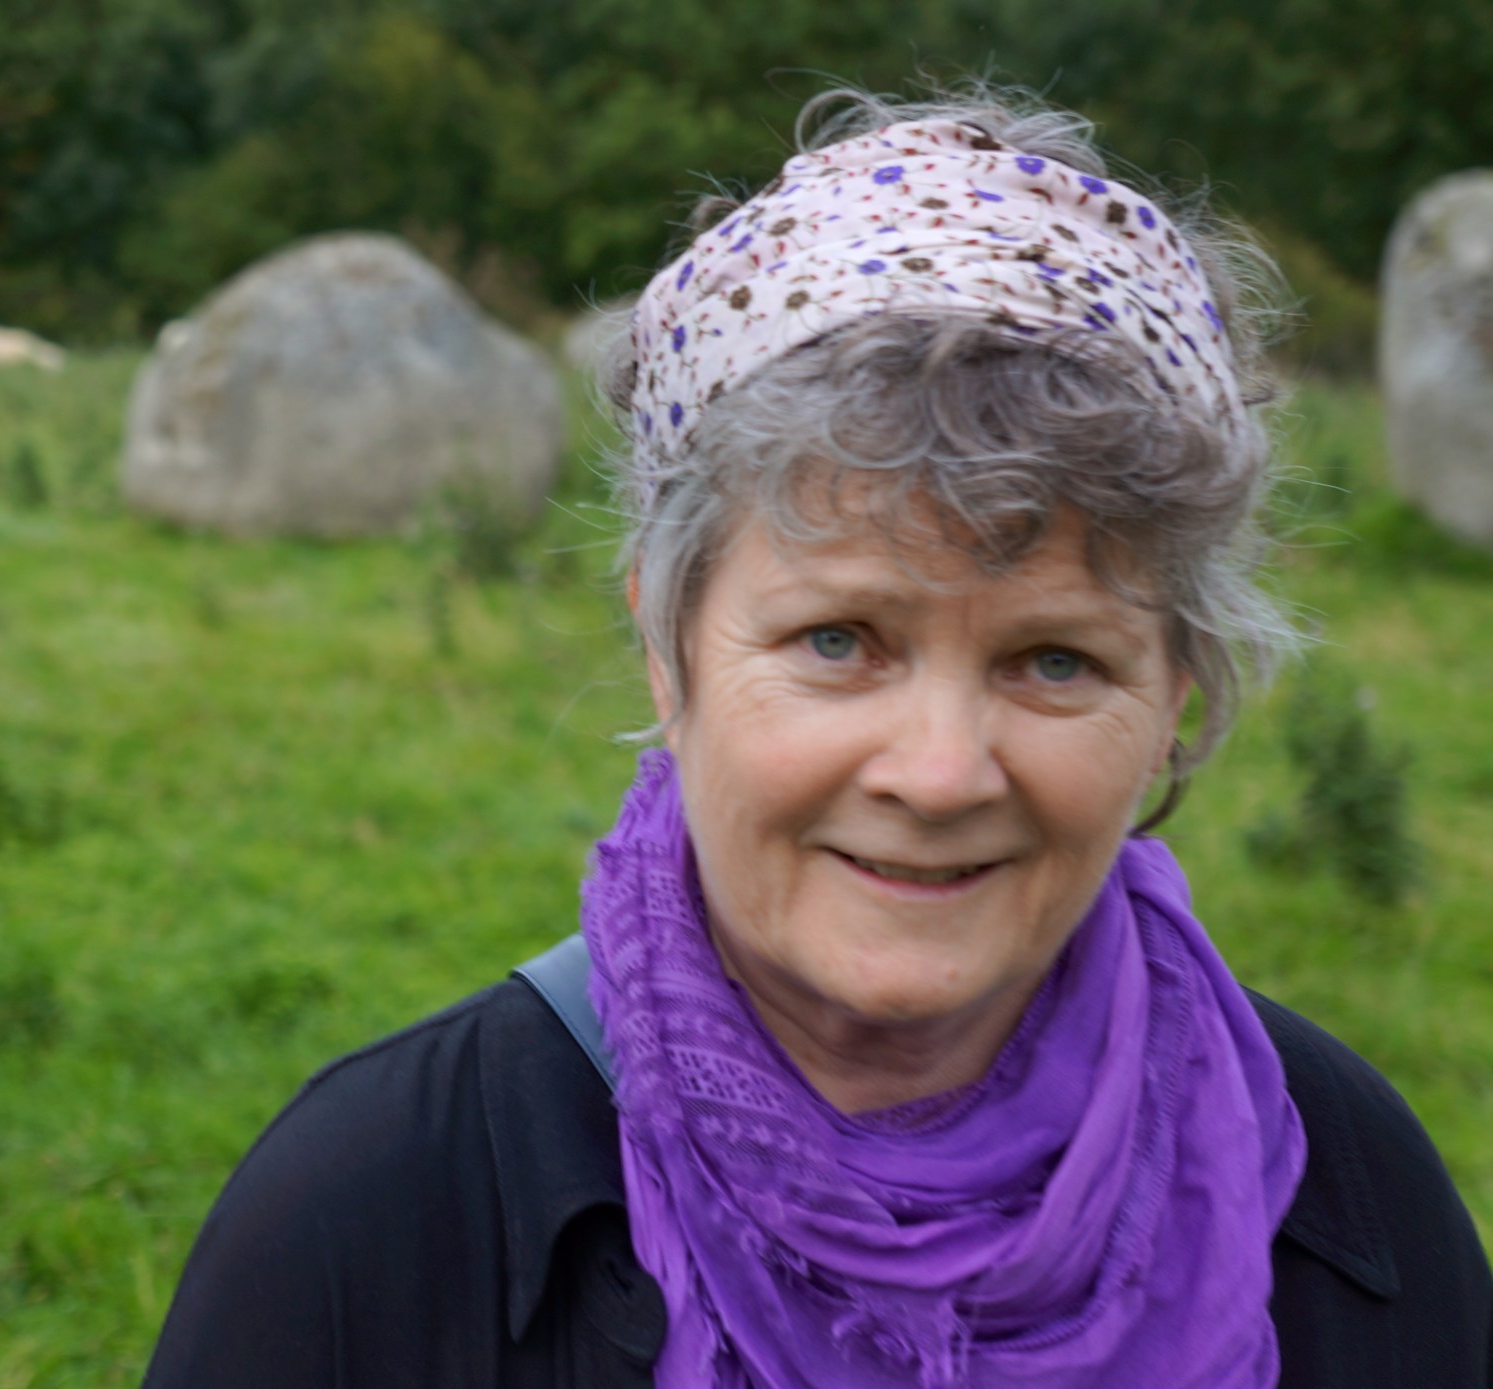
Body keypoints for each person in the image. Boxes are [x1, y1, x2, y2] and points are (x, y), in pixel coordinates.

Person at [141, 87, 1492, 1388]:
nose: (941, 771)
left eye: (1056, 658)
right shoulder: (367, 1230)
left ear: (1175, 699)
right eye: (840, 640)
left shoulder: (1349, 1203)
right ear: (668, 650)